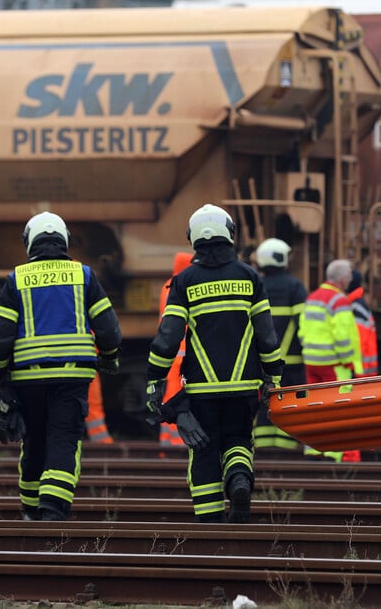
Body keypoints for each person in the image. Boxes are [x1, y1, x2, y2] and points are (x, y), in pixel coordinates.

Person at [145, 204, 283, 523]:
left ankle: (210, 530)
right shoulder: (250, 277)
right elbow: (267, 336)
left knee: (205, 451)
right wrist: (273, 376)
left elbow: (167, 340)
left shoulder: (184, 281)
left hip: (202, 390)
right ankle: (238, 481)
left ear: (193, 237)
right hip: (245, 386)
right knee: (237, 440)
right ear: (229, 234)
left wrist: (154, 381)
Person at [0, 211, 122, 521]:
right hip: (71, 379)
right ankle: (53, 506)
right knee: (63, 438)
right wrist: (111, 357)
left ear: (28, 243)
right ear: (65, 241)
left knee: (33, 439)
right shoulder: (84, 276)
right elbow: (109, 331)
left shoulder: (16, 279)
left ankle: (32, 509)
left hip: (28, 380)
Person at [298, 258, 363, 462]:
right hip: (333, 364)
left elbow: (303, 331)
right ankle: (334, 452)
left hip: (312, 361)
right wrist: (348, 361)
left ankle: (312, 450)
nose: (351, 280)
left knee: (313, 407)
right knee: (337, 407)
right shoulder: (339, 301)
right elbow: (342, 336)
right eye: (349, 276)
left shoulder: (313, 297)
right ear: (343, 279)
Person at [252, 238, 306, 451]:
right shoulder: (295, 287)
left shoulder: (256, 286)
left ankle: (264, 451)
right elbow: (303, 325)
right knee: (289, 406)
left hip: (260, 363)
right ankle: (286, 451)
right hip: (291, 363)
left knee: (264, 405)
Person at [156, 252, 194, 449]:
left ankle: (168, 442)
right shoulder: (184, 286)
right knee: (182, 400)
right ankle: (179, 442)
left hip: (172, 353)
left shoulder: (167, 286)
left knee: (171, 397)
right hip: (184, 353)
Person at [345, 269, 378, 377]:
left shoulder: (356, 307)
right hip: (365, 368)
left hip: (361, 370)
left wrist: (354, 368)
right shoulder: (358, 304)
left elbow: (359, 341)